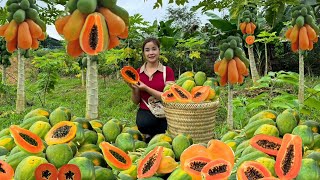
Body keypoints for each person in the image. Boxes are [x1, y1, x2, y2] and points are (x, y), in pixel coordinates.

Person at [128, 37, 175, 140]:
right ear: (143, 53)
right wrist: (133, 89)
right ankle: (149, 137)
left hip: (165, 113)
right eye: (147, 50)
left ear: (159, 50)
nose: (151, 53)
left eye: (154, 49)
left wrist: (146, 88)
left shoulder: (167, 71)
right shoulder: (138, 72)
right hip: (146, 112)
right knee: (145, 123)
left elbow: (170, 97)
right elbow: (136, 101)